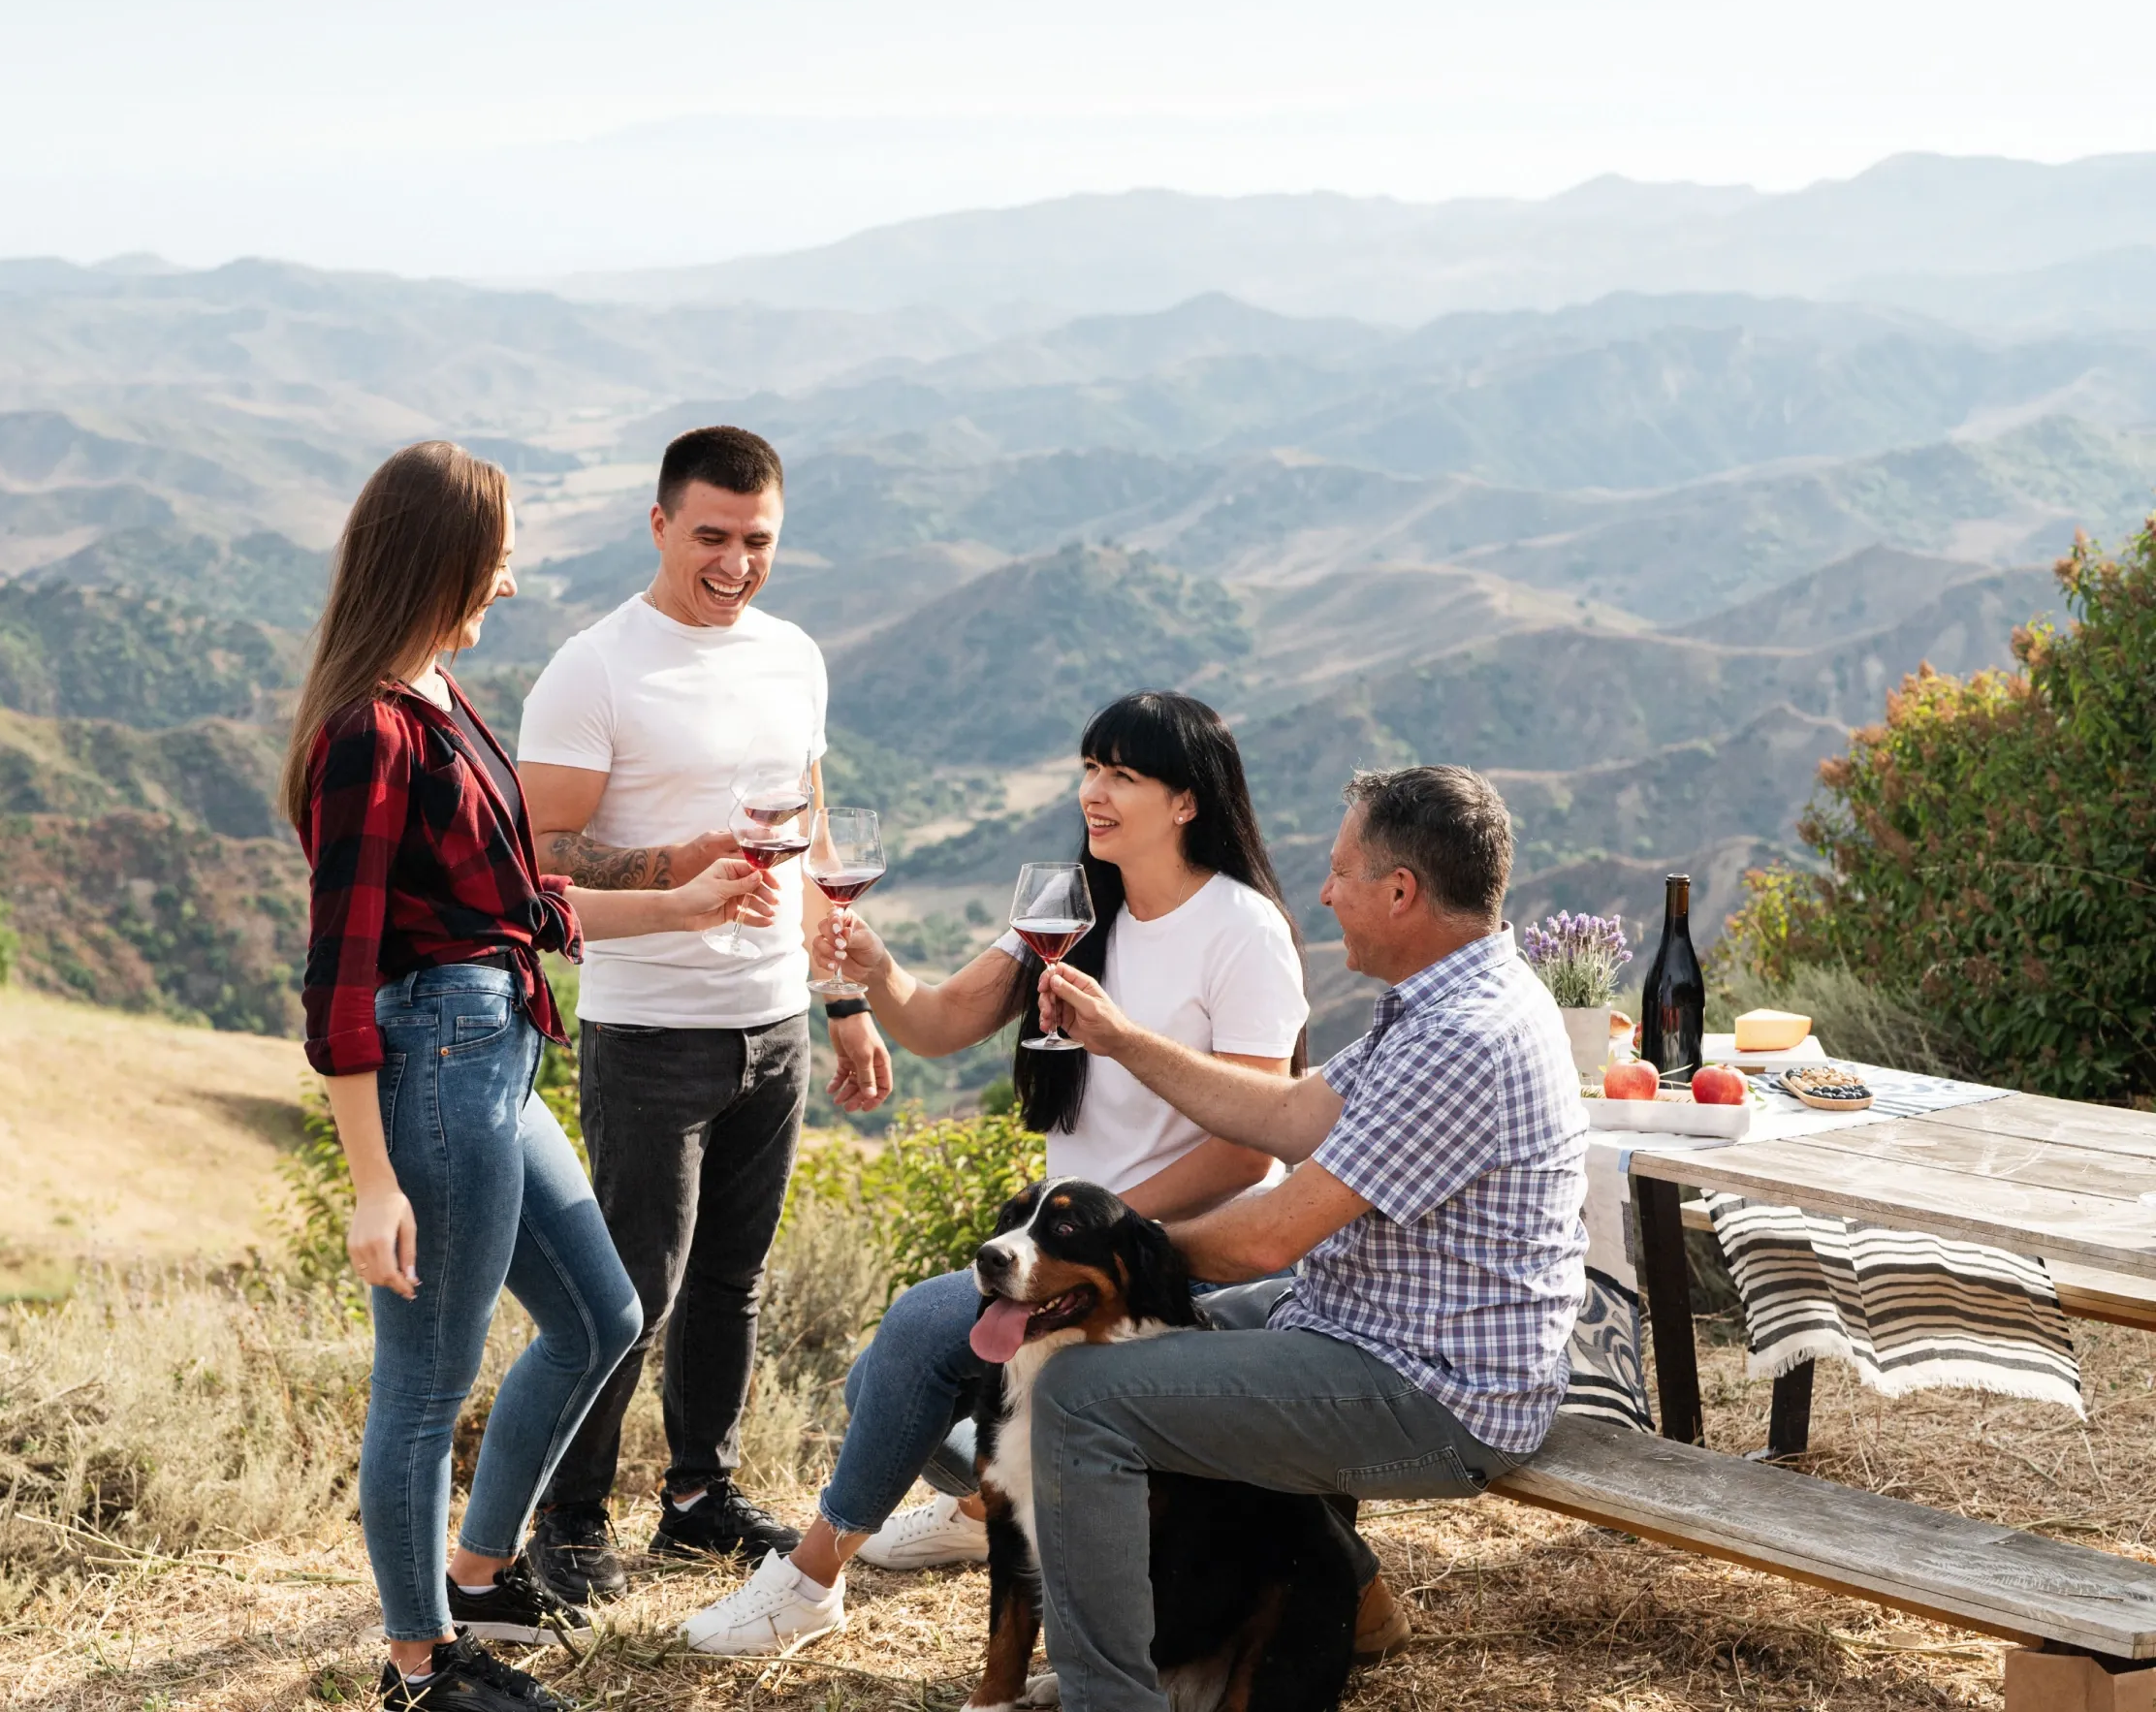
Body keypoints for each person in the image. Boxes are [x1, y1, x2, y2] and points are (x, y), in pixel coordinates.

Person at [292, 440, 780, 1712]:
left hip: (496, 1053)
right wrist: (370, 1182)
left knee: (602, 1315)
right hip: (435, 1065)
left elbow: (519, 909)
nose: (510, 578)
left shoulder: (441, 699)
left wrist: (683, 898)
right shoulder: (370, 735)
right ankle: (422, 1669)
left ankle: (482, 1576)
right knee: (424, 1384)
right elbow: (339, 978)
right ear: (443, 556)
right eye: (499, 551)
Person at [676, 690, 1312, 1655]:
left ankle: (806, 1580)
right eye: (1090, 768)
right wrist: (877, 969)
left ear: (1187, 800)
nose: (1093, 792)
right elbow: (935, 1023)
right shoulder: (1069, 907)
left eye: (1123, 775)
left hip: (1192, 1245)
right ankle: (987, 1502)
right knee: (876, 1385)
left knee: (920, 1335)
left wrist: (1106, 1231)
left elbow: (1252, 1141)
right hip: (1074, 1245)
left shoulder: (1242, 929)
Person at [1019, 764, 1589, 1712]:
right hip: (1363, 1323)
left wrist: (1116, 1254)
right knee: (1156, 1330)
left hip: (1433, 1389)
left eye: (1339, 871)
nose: (1323, 892)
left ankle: (1109, 1697)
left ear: (1401, 891)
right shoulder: (1445, 998)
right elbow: (1287, 1111)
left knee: (1082, 1395)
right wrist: (1119, 1035)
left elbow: (1269, 1237)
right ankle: (1295, 1608)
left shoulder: (1464, 1035)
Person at [511, 425, 898, 1604]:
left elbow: (815, 834)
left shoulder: (794, 656)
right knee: (628, 1289)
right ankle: (568, 1519)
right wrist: (675, 863)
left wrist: (844, 1001)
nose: (736, 561)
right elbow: (538, 858)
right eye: (713, 536)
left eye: (759, 539)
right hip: (648, 1027)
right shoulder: (595, 668)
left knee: (733, 1278)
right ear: (661, 525)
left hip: (774, 1015)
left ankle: (696, 1499)